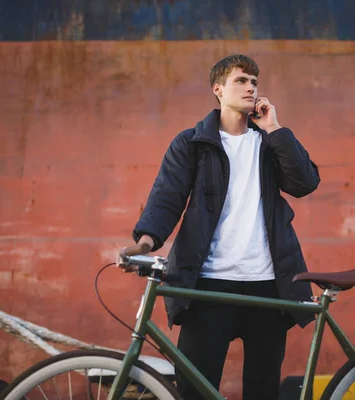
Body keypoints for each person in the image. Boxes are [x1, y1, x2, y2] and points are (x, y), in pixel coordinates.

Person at [119, 54, 320, 400]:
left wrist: (274, 128)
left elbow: (305, 182)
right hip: (207, 287)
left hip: (267, 286)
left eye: (254, 82)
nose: (251, 87)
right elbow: (167, 197)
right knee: (195, 389)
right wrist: (146, 242)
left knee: (263, 391)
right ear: (218, 89)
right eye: (241, 80)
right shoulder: (192, 144)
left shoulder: (268, 144)